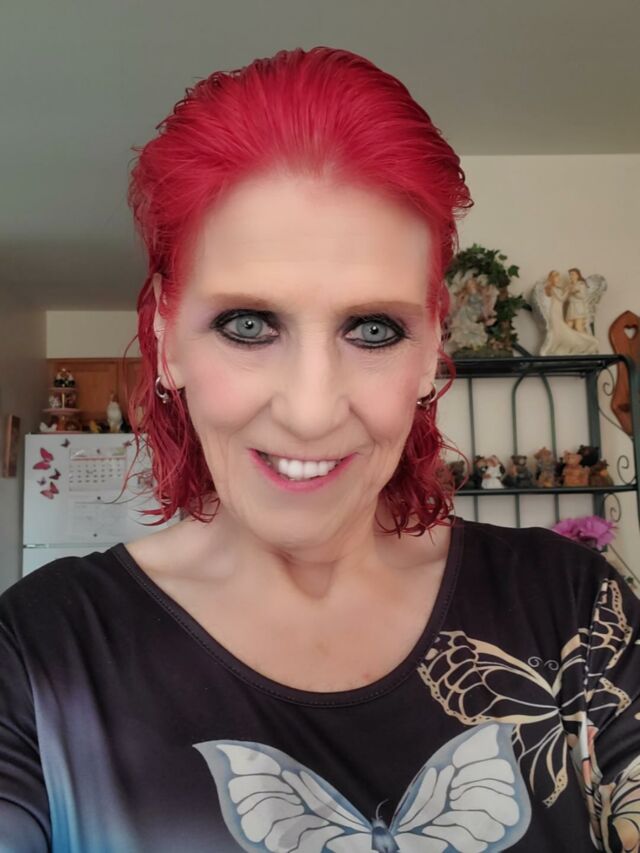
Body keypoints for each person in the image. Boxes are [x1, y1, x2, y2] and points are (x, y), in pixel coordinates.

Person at [1, 46, 638, 852]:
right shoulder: (39, 656)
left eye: (372, 329)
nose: (309, 411)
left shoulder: (575, 607)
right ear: (167, 336)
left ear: (431, 348)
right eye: (247, 324)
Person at [539, 269, 599, 355]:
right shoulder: (559, 287)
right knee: (567, 328)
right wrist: (569, 291)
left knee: (578, 328)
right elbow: (563, 298)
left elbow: (582, 296)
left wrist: (573, 291)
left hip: (577, 309)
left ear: (578, 275)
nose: (571, 276)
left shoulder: (581, 284)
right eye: (570, 275)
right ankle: (567, 347)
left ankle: (589, 344)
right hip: (567, 309)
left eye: (573, 274)